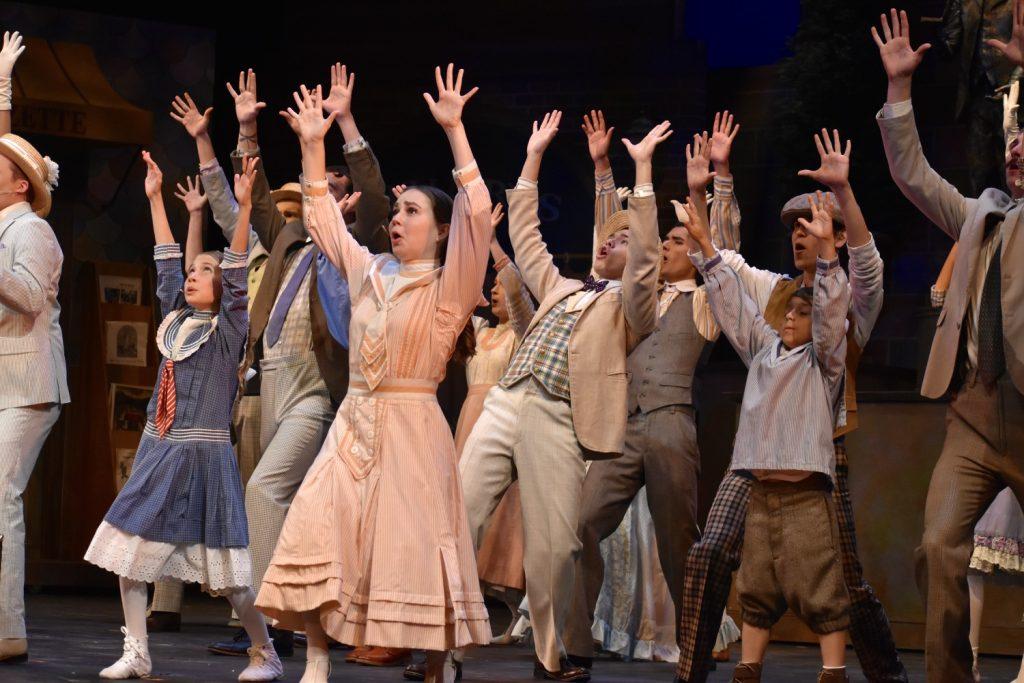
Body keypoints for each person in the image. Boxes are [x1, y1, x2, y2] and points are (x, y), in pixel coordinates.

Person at [254, 67, 492, 683]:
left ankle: (437, 660)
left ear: (440, 231)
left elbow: (480, 215)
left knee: (413, 546)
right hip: (355, 421)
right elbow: (325, 224)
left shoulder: (450, 287)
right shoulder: (371, 272)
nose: (398, 218)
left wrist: (456, 131)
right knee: (315, 525)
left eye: (412, 212)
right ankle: (316, 656)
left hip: (412, 428)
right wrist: (312, 144)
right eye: (398, 211)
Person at [674, 127, 900, 682]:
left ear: (837, 236)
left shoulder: (852, 298)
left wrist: (843, 196)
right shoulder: (775, 291)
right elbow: (720, 264)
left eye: (812, 226)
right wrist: (710, 186)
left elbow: (866, 267)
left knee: (844, 579)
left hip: (821, 454)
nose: (801, 235)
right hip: (756, 455)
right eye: (795, 229)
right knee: (710, 554)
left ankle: (888, 674)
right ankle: (690, 673)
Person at [458, 109, 664, 682]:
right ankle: (440, 645)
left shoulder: (632, 307)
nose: (610, 243)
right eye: (607, 235)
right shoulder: (562, 286)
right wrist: (534, 156)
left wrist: (641, 174)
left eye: (621, 240)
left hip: (557, 419)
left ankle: (549, 657)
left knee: (553, 549)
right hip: (506, 402)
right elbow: (526, 235)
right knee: (459, 516)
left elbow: (646, 263)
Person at [200, 66, 389, 660]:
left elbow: (378, 201)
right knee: (287, 499)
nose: (313, 194)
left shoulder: (354, 242)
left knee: (265, 489)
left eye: (325, 188)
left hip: (317, 387)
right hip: (270, 380)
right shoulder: (285, 238)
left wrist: (348, 127)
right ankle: (285, 620)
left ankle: (271, 618)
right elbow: (246, 205)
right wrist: (247, 130)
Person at [83, 153, 281, 681]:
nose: (194, 277)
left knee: (230, 580)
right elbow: (166, 264)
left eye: (206, 272)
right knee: (127, 555)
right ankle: (138, 650)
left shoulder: (227, 333)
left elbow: (237, 280)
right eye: (195, 271)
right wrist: (153, 198)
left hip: (204, 456)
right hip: (159, 449)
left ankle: (265, 651)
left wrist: (241, 212)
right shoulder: (177, 321)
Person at [873, 6, 1024, 679]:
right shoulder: (981, 217)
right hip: (972, 413)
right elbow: (912, 175)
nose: (1016, 150)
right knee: (938, 547)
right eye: (1013, 142)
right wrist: (899, 91)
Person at [563, 112, 736, 670]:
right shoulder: (636, 297)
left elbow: (725, 250)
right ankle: (575, 646)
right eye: (665, 236)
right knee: (582, 522)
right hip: (622, 426)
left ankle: (695, 647)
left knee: (678, 540)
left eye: (678, 238)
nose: (665, 244)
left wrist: (710, 186)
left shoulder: (706, 302)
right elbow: (616, 238)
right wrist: (601, 170)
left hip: (669, 423)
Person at [684, 191, 852, 682]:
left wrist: (826, 256)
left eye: (800, 315)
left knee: (822, 583)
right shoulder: (764, 349)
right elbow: (734, 305)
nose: (789, 319)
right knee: (755, 585)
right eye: (787, 314)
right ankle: (748, 665)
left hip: (804, 492)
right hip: (760, 488)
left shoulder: (821, 362)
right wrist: (704, 248)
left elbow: (831, 315)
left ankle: (833, 670)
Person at [0, 129, 68, 665]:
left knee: (2, 497)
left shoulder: (34, 230)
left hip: (28, 384)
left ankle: (9, 630)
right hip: (5, 381)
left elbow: (25, 295)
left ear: (21, 184)